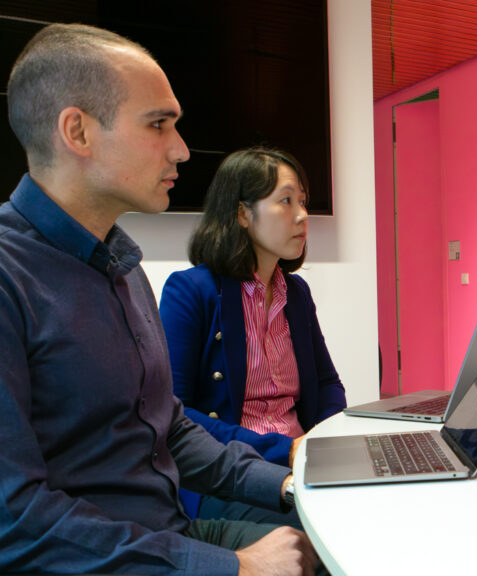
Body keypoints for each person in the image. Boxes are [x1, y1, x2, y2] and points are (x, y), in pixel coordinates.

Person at [0, 23, 320, 574]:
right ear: (77, 131)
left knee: (345, 544)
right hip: (103, 557)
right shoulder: (10, 277)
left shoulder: (123, 267)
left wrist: (287, 484)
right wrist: (235, 567)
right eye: (158, 124)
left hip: (166, 532)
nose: (182, 149)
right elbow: (16, 520)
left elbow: (167, 428)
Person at [160, 148, 347, 526]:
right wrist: (285, 450)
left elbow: (328, 384)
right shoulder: (190, 291)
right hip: (233, 476)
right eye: (286, 201)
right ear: (242, 214)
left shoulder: (296, 293)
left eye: (303, 201)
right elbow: (174, 412)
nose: (302, 215)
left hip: (303, 463)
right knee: (330, 527)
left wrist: (324, 444)